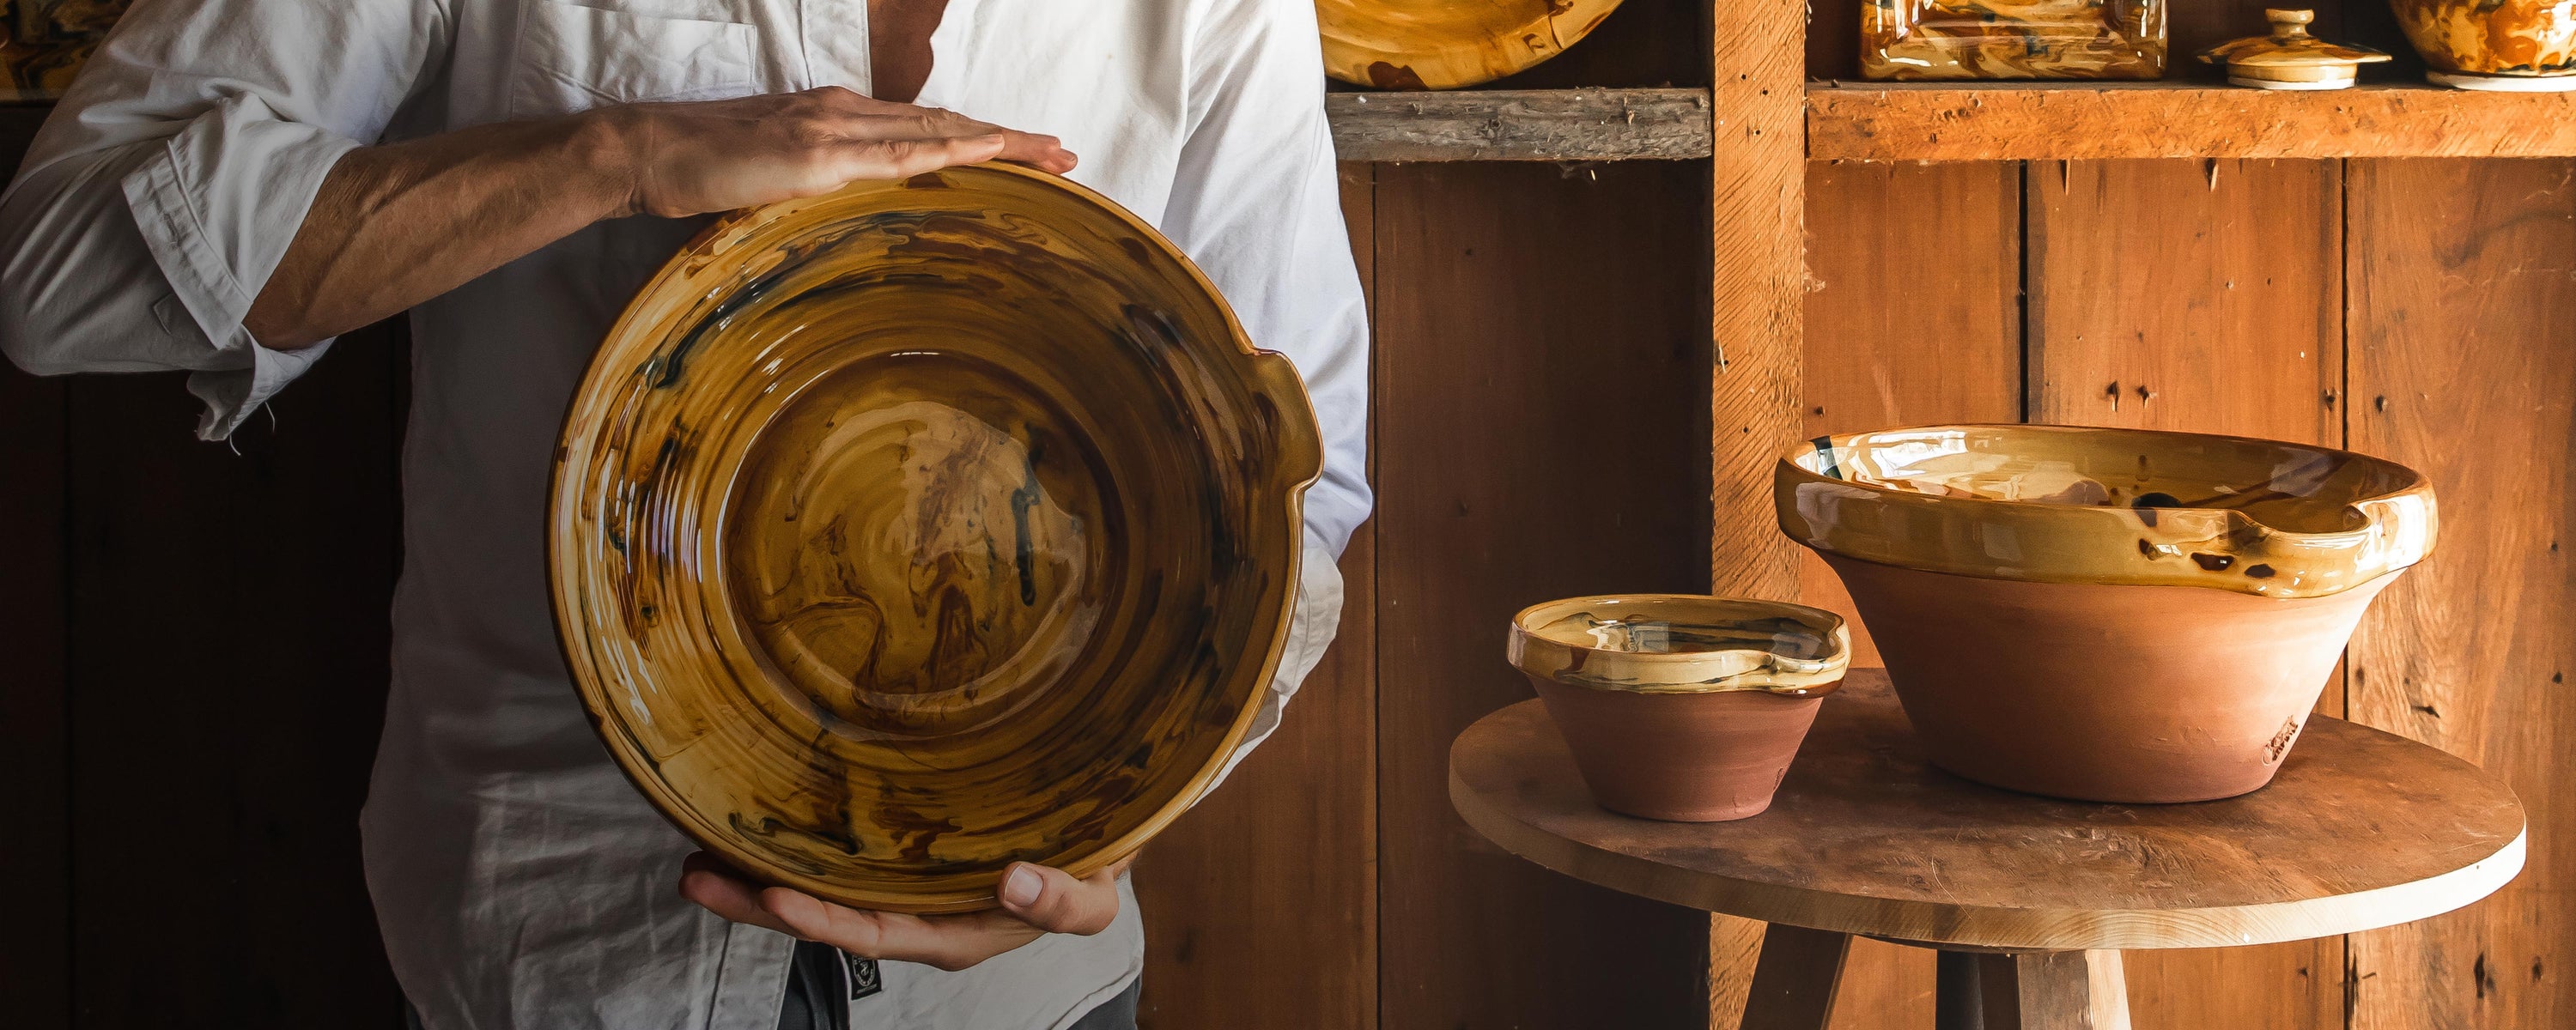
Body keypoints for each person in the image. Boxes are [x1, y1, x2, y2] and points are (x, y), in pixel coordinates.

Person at [0, 0, 1370, 1026]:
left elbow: (1301, 492)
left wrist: (1113, 832)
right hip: (564, 945)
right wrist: (620, 153)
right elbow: (60, 267)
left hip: (1024, 985)